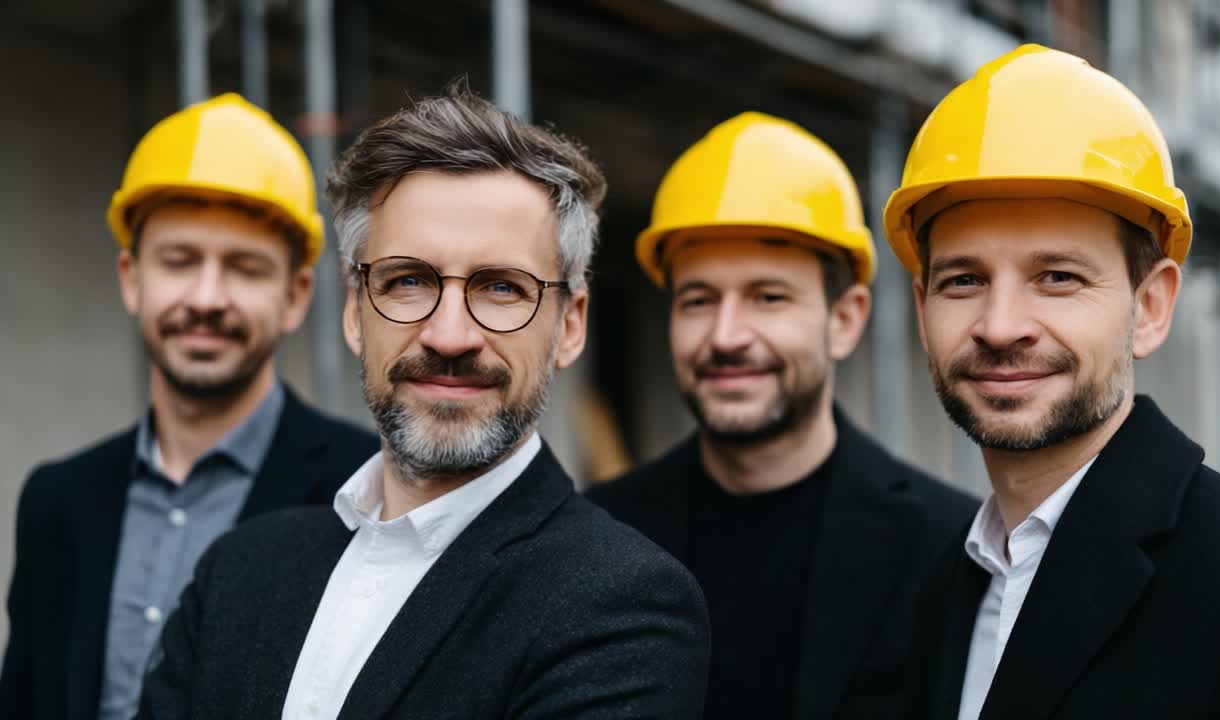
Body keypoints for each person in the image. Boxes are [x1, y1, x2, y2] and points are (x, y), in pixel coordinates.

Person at [136, 83, 710, 720]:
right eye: (408, 280)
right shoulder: (238, 570)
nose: (449, 336)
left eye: (501, 287)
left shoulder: (624, 607)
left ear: (570, 325)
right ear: (355, 312)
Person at [884, 44, 1220, 719]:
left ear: (1150, 308)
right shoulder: (940, 587)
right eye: (964, 280)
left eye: (1057, 277)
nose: (1000, 326)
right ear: (923, 311)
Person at [0, 93, 378, 720]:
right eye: (179, 262)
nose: (206, 298)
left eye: (244, 268)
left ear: (295, 295)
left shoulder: (366, 491)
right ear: (131, 278)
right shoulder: (56, 500)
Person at [588, 111, 977, 719]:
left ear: (844, 320)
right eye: (698, 300)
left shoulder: (950, 549)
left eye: (768, 297)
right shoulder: (597, 537)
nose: (726, 336)